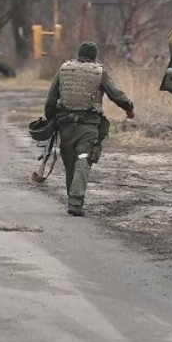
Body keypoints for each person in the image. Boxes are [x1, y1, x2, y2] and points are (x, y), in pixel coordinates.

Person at [44, 41, 134, 216]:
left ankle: (73, 197)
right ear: (94, 55)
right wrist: (129, 108)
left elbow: (51, 98)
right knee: (83, 159)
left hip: (65, 124)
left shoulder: (64, 69)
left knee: (70, 161)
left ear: (79, 54)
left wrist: (50, 119)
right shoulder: (99, 72)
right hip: (88, 125)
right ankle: (75, 202)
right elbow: (116, 94)